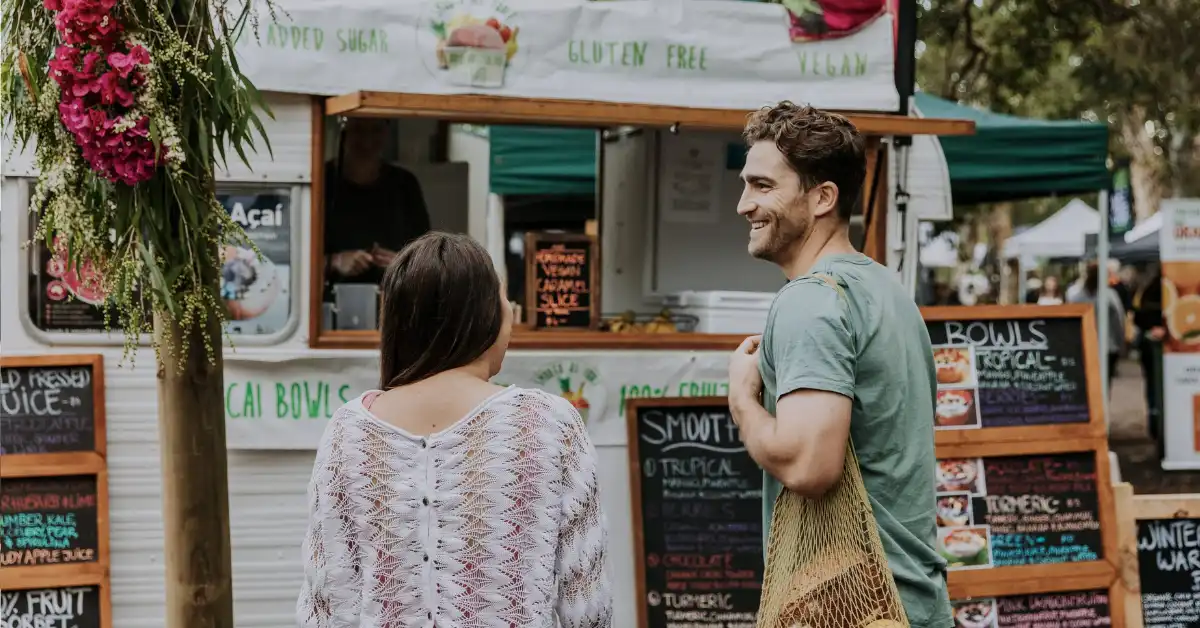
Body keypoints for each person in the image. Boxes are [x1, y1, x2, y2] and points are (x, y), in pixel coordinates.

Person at [297, 232, 612, 627]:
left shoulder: (349, 430)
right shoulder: (550, 424)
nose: (511, 311)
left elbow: (326, 608)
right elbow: (588, 610)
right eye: (503, 298)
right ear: (485, 315)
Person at [726, 102, 952, 628]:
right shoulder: (885, 289)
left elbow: (810, 467)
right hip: (911, 600)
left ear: (823, 196)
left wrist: (742, 400)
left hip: (856, 606)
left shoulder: (810, 300)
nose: (743, 205)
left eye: (763, 186)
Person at [324, 117, 432, 285]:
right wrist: (335, 261)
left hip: (393, 302)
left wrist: (400, 263)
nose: (367, 141)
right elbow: (292, 259)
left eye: (376, 130)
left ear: (386, 133)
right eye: (358, 130)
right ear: (344, 132)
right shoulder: (322, 182)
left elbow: (429, 260)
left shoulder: (405, 184)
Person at [1069, 261, 1126, 388]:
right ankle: (1102, 406)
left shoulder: (1077, 297)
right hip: (1107, 345)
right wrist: (1121, 342)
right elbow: (1119, 320)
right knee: (1104, 382)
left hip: (1084, 344)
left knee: (1086, 382)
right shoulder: (1109, 296)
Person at [1133, 267, 1165, 439]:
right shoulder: (1153, 291)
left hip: (1150, 348)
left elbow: (1138, 316)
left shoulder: (1147, 290)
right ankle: (1156, 421)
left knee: (1153, 386)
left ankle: (1155, 422)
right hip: (1156, 350)